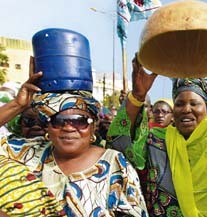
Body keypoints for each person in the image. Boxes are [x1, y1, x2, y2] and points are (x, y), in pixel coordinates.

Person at [108, 53, 207, 216]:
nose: (186, 109)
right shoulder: (155, 141)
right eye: (179, 104)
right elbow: (118, 146)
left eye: (194, 103)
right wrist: (137, 96)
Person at [0, 57, 147, 216]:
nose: (68, 128)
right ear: (47, 126)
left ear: (93, 127)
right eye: (58, 121)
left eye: (79, 121)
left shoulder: (115, 164)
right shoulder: (26, 153)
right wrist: (17, 104)